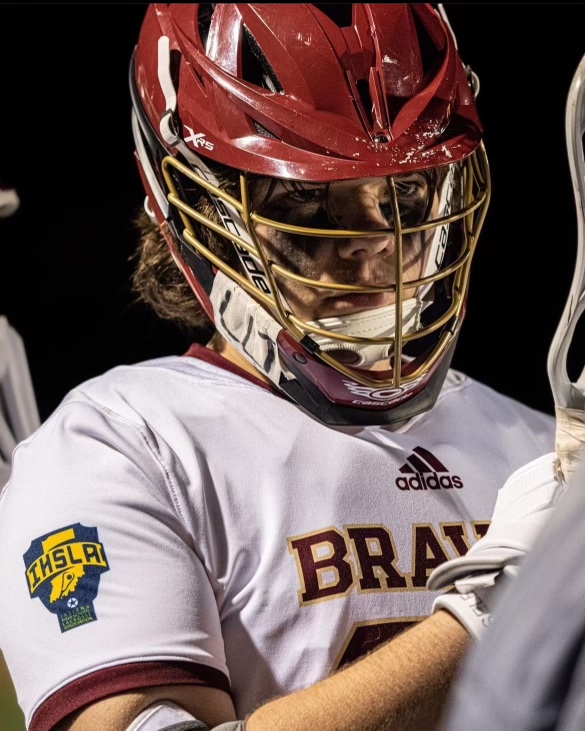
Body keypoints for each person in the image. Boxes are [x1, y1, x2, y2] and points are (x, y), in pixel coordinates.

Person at [0, 5, 561, 731]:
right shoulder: (119, 446)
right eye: (306, 194)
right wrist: (492, 612)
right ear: (198, 198)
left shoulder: (544, 448)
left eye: (404, 191)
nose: (375, 241)